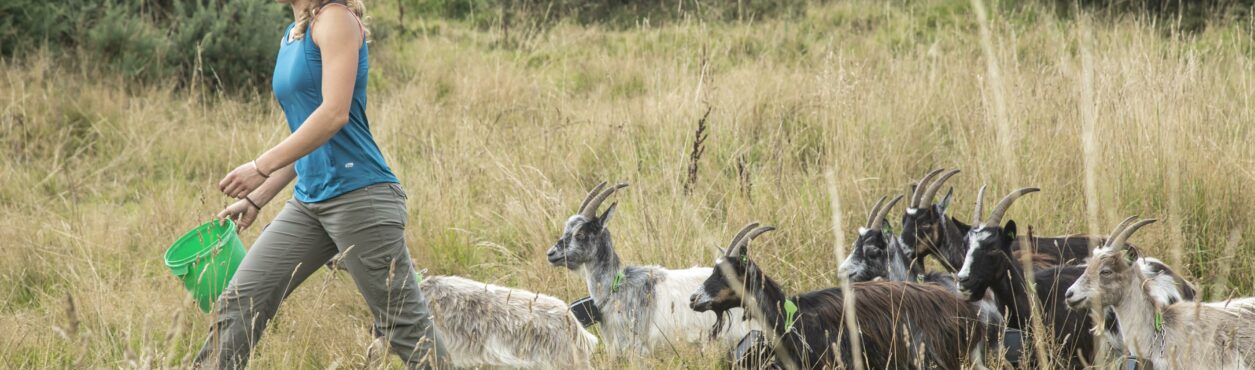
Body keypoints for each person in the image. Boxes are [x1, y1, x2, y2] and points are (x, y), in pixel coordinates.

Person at [196, 0, 447, 368]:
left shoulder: (335, 19)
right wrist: (257, 197)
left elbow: (333, 114)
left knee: (405, 326)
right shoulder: (293, 32)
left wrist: (259, 166)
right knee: (240, 303)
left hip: (361, 197)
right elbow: (308, 135)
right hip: (309, 202)